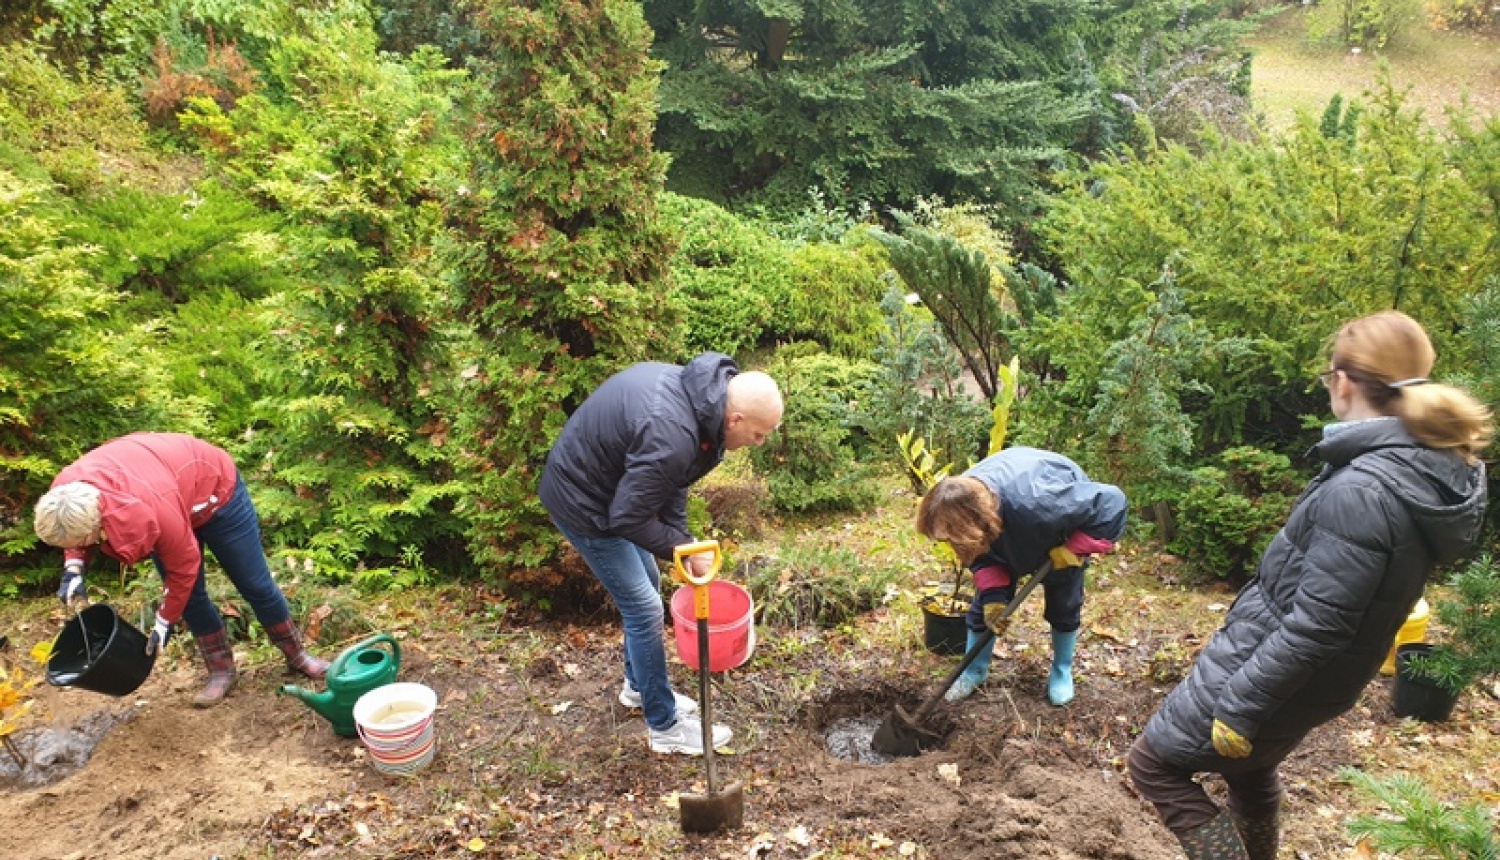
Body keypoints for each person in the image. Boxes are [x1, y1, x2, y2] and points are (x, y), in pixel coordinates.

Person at [1126, 311, 1491, 860]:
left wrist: (1240, 707)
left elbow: (1320, 624)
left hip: (1266, 674)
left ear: (1342, 382)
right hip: (1319, 681)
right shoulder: (1423, 467)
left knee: (1154, 765)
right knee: (1251, 768)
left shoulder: (1364, 489)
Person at [538, 353, 783, 756]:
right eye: (759, 434)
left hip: (609, 491)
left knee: (648, 582)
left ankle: (638, 687)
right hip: (584, 503)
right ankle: (664, 726)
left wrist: (682, 542)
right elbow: (626, 517)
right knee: (645, 609)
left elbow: (674, 482)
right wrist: (681, 549)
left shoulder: (700, 407)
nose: (759, 443)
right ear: (735, 418)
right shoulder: (671, 432)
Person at [33, 432, 330, 707]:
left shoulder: (150, 510)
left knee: (253, 583)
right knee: (191, 599)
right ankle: (221, 670)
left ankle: (297, 655)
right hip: (167, 488)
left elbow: (183, 568)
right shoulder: (65, 492)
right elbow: (74, 531)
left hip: (215, 493)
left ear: (100, 521)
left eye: (85, 542)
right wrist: (73, 567)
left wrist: (163, 623)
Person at [915, 447, 1127, 706]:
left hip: (1055, 528)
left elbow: (1111, 502)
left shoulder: (1044, 503)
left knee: (1064, 602)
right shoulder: (959, 500)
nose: (950, 545)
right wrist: (994, 596)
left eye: (952, 539)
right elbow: (979, 553)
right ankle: (974, 671)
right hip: (1004, 518)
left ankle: (1061, 670)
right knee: (985, 607)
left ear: (978, 521)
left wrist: (1075, 547)